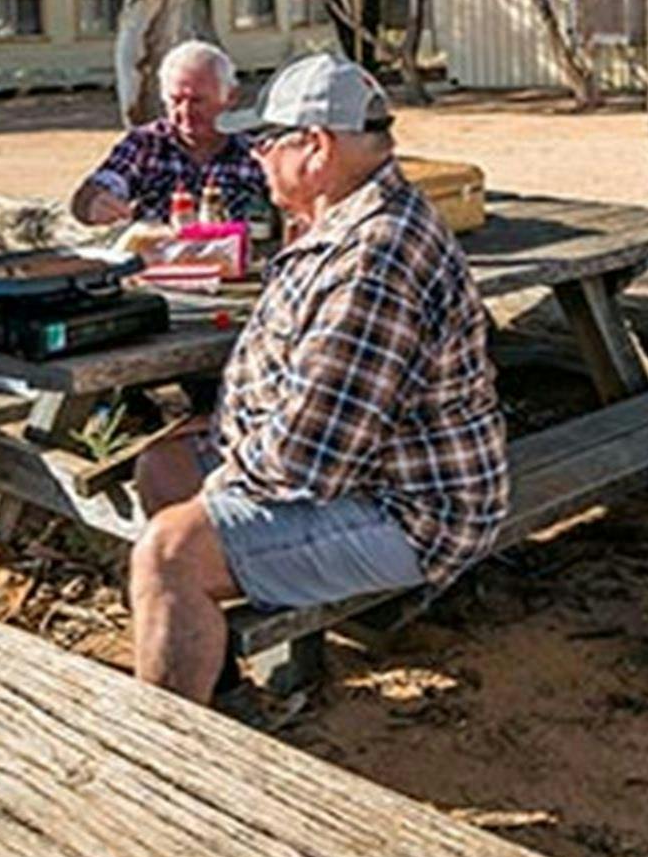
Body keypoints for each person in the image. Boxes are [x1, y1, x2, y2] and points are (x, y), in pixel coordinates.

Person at [126, 53, 508, 704]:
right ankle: (214, 683)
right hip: (358, 472)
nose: (255, 156)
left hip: (410, 510)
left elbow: (311, 456)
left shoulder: (374, 257)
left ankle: (171, 757)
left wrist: (223, 474)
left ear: (316, 146)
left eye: (267, 141)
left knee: (168, 554)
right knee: (162, 468)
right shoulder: (343, 218)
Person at [70, 40, 268, 227]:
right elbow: (96, 190)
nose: (186, 111)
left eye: (197, 100)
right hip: (159, 258)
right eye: (175, 100)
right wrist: (94, 202)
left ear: (230, 97)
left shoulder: (257, 152)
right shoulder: (146, 144)